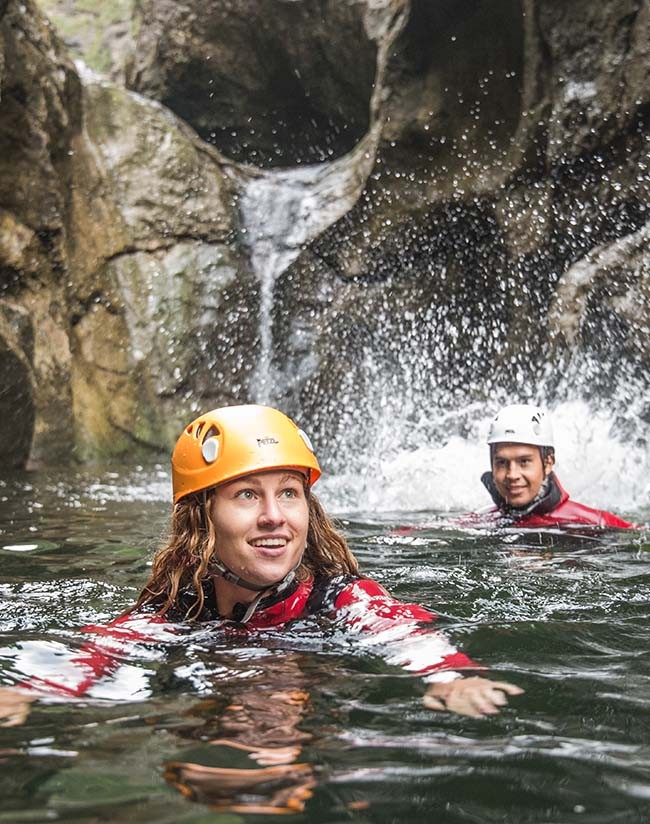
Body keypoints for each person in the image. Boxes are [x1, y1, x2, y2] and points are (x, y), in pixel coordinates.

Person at [0, 404, 522, 730]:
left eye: (289, 494)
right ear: (201, 517)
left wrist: (447, 674)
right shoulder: (179, 607)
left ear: (308, 511)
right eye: (247, 494)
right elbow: (105, 649)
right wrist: (31, 690)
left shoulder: (340, 599)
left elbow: (398, 628)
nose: (274, 517)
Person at [471, 403, 634, 529]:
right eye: (502, 463)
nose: (512, 475)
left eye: (524, 462)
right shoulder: (477, 521)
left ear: (548, 463)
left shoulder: (597, 523)